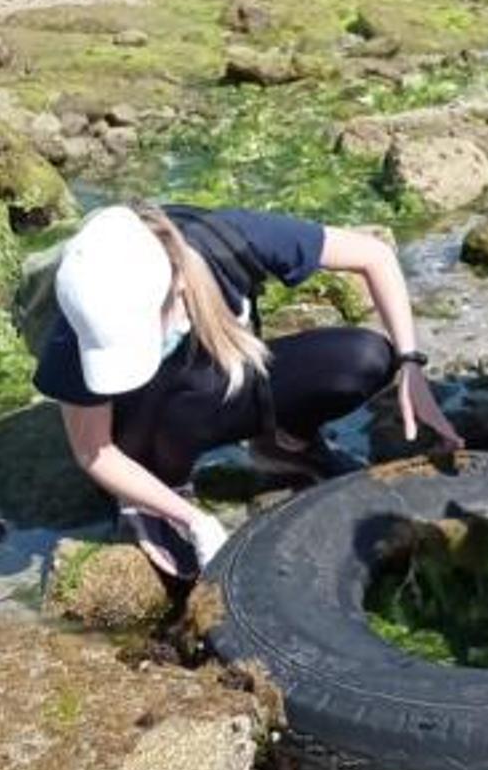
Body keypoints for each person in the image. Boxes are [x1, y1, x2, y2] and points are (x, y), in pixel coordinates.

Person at [35, 201, 461, 578]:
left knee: (364, 357)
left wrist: (410, 365)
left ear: (176, 284)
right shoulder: (78, 327)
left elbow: (375, 256)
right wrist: (192, 519)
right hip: (143, 435)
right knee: (195, 392)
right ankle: (148, 498)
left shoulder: (225, 240)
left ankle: (285, 446)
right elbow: (94, 451)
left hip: (220, 387)